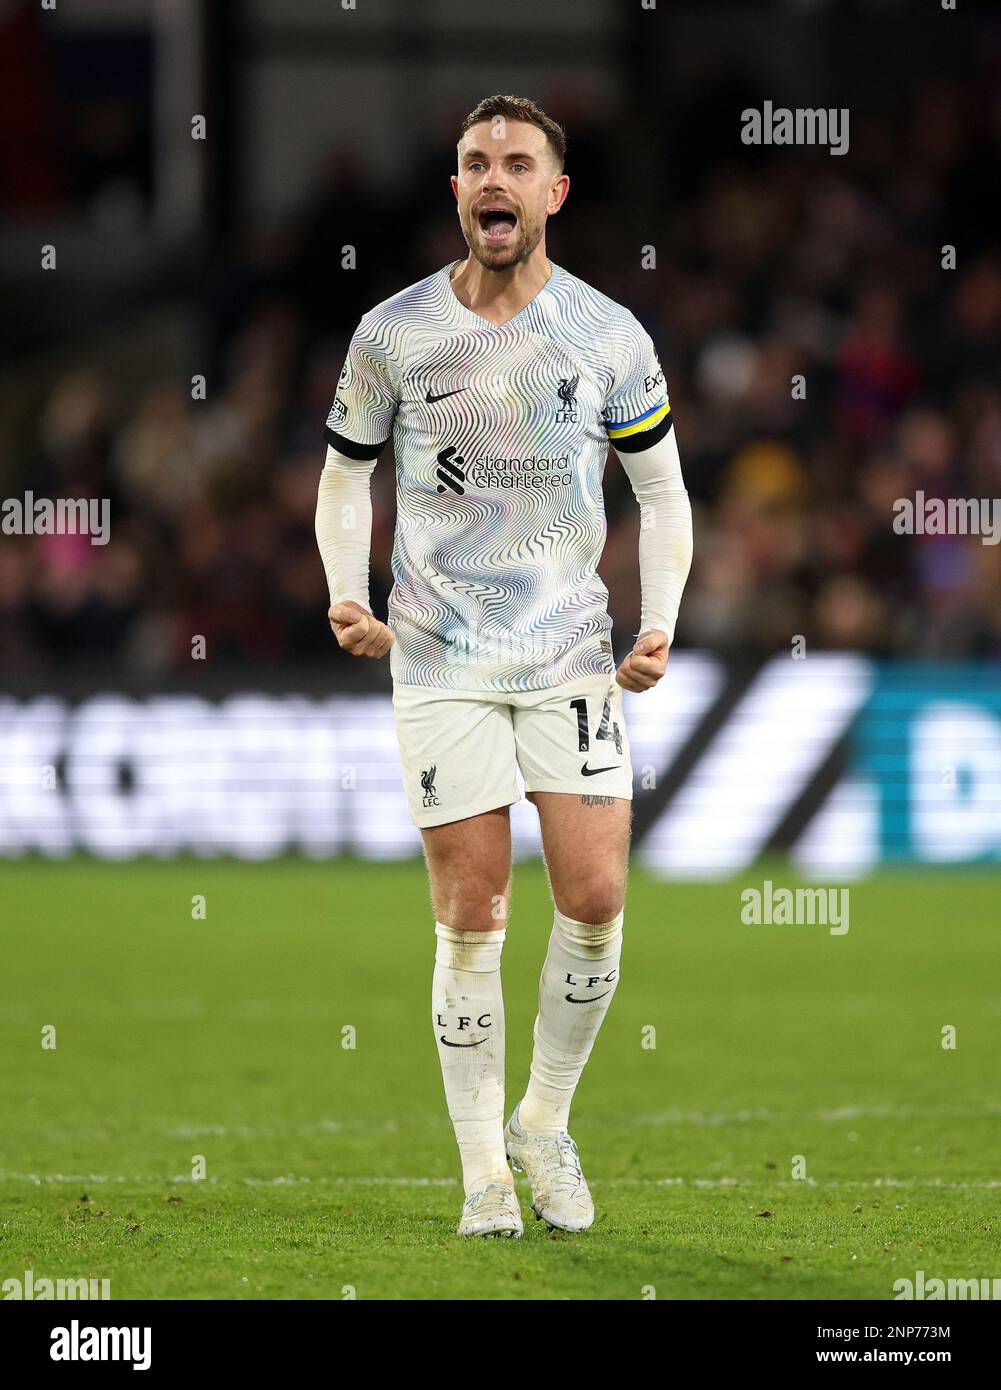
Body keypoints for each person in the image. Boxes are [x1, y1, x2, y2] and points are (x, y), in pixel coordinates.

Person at [315, 94, 693, 1238]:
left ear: (551, 193)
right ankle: (485, 1172)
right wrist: (345, 588)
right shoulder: (393, 333)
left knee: (594, 900)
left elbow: (662, 491)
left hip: (571, 654)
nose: (495, 178)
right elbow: (345, 478)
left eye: (517, 163)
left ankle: (543, 1120)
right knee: (472, 912)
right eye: (476, 162)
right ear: (458, 190)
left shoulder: (608, 335)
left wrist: (657, 615)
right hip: (436, 656)